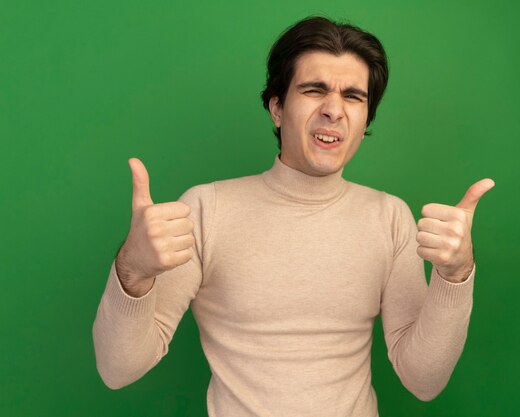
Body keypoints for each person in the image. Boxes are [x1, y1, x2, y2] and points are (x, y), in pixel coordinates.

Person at [93, 16, 494, 417]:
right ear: (277, 108)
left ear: (365, 121)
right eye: (314, 89)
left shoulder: (389, 218)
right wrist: (133, 269)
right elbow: (118, 370)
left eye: (353, 96)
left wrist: (455, 276)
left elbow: (423, 381)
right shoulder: (206, 210)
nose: (334, 110)